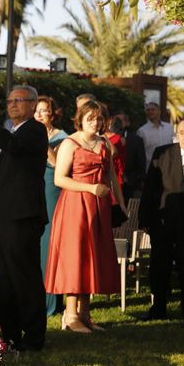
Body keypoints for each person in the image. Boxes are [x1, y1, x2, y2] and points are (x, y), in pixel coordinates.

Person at [45, 100, 126, 333]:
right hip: (74, 206)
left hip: (98, 207)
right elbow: (59, 179)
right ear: (80, 119)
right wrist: (91, 189)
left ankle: (85, 314)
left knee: (94, 256)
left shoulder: (104, 144)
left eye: (99, 118)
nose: (95, 122)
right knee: (76, 256)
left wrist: (120, 202)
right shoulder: (69, 143)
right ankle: (70, 317)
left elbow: (111, 174)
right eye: (90, 118)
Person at [0, 85, 48, 351]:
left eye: (19, 100)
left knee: (23, 278)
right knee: (2, 278)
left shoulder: (34, 130)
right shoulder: (12, 131)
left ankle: (34, 336)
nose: (12, 105)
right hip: (1, 217)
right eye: (10, 101)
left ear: (33, 105)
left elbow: (11, 145)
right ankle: (9, 334)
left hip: (22, 217)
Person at [138, 118, 184, 324]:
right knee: (159, 265)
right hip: (163, 223)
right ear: (176, 133)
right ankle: (158, 308)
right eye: (182, 133)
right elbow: (149, 189)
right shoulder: (162, 154)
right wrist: (144, 218)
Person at [34, 95, 67, 317]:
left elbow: (57, 165)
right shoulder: (29, 133)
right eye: (36, 110)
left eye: (43, 111)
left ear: (52, 114)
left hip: (52, 193)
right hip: (34, 192)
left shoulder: (62, 138)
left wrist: (44, 142)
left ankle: (52, 302)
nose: (38, 114)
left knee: (49, 247)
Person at [114, 111, 146, 200]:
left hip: (131, 186)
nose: (118, 124)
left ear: (127, 123)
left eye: (121, 121)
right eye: (116, 121)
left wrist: (137, 184)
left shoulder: (137, 140)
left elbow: (141, 164)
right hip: (113, 187)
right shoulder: (107, 139)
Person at [137, 102, 175, 169]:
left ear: (159, 111)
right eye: (148, 110)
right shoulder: (142, 131)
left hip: (168, 168)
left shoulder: (169, 128)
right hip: (150, 168)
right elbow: (139, 153)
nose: (150, 112)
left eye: (153, 109)